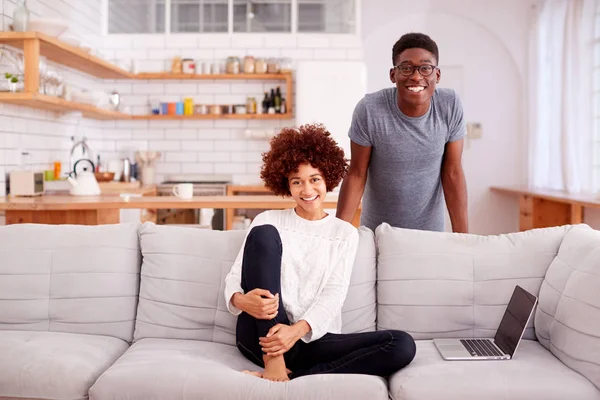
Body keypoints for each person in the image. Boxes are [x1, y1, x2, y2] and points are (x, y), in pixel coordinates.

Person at [224, 124, 416, 382]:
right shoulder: (267, 220)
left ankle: (294, 376)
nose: (307, 190)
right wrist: (240, 300)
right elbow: (235, 277)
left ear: (328, 179)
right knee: (265, 234)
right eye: (297, 182)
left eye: (314, 179)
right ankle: (274, 363)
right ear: (286, 185)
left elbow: (333, 293)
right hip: (259, 337)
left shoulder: (344, 233)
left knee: (401, 344)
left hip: (309, 339)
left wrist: (294, 332)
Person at [336, 32, 469, 233]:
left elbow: (453, 173)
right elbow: (356, 173)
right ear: (393, 75)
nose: (416, 76)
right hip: (378, 233)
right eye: (406, 68)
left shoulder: (449, 105)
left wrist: (463, 239)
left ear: (437, 75)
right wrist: (338, 236)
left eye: (425, 68)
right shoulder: (370, 110)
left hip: (429, 235)